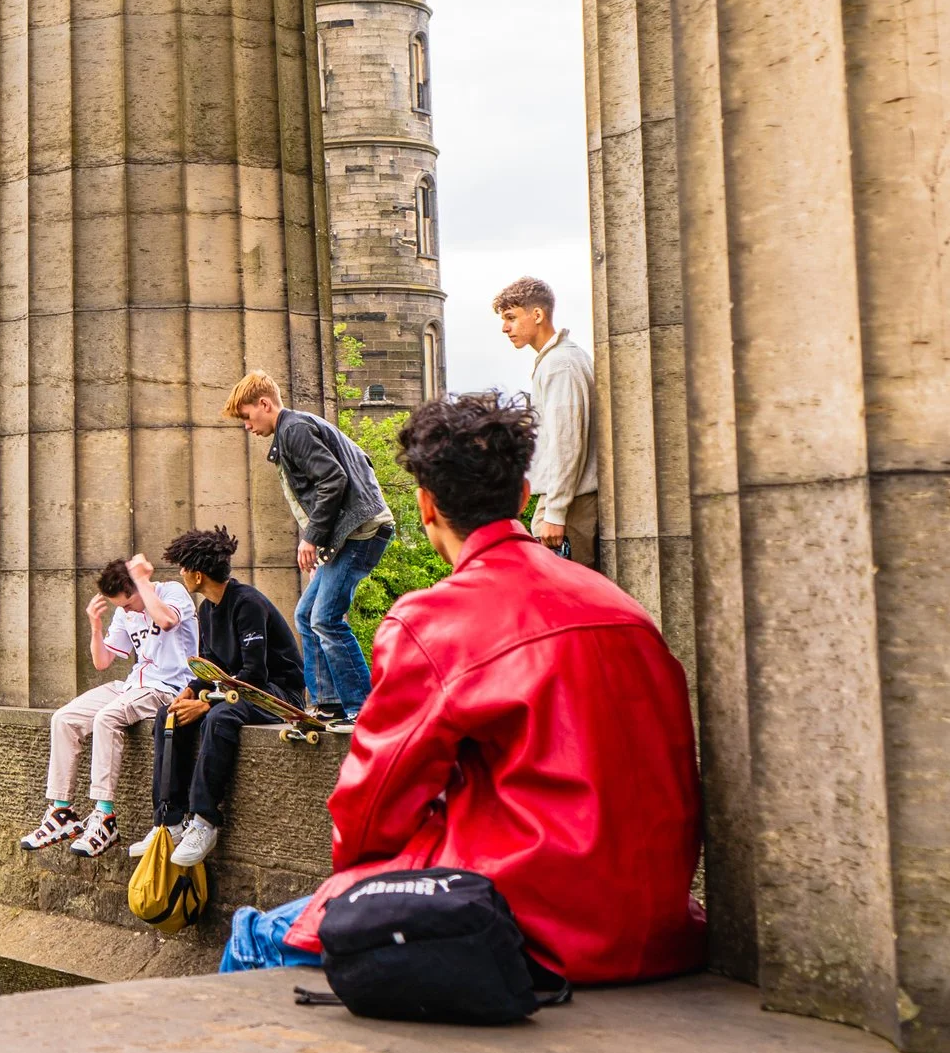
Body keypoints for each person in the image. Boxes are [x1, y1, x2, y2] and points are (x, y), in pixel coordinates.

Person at [218, 391, 704, 985]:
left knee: (255, 938)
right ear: (523, 496)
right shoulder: (625, 609)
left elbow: (367, 821)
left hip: (521, 926)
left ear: (425, 505)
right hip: (658, 924)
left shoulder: (430, 622)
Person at [223, 371, 394, 723]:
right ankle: (328, 703)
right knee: (306, 614)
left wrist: (313, 538)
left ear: (264, 404)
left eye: (246, 416)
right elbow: (358, 461)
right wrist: (327, 540)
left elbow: (334, 479)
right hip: (350, 533)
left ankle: (363, 710)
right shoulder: (296, 428)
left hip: (361, 534)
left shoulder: (294, 430)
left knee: (326, 619)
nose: (247, 426)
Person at [147, 525, 308, 868]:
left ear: (198, 574)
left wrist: (207, 704)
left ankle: (204, 820)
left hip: (277, 693)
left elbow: (255, 674)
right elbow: (212, 667)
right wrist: (191, 690)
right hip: (238, 690)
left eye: (183, 568)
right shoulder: (207, 609)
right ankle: (170, 820)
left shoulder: (247, 603)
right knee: (168, 715)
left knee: (220, 717)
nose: (181, 574)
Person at [20, 554, 198, 859]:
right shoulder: (125, 611)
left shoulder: (171, 592)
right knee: (64, 718)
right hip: (132, 685)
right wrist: (95, 625)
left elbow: (167, 621)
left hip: (169, 687)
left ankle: (104, 816)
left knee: (107, 718)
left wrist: (143, 581)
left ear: (137, 588)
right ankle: (62, 812)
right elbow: (102, 662)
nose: (125, 610)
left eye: (127, 603)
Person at [495, 277, 598, 566]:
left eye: (511, 318)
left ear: (537, 315)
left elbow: (567, 443)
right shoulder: (557, 360)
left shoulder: (560, 364)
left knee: (572, 604)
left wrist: (555, 512)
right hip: (567, 503)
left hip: (572, 507)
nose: (505, 328)